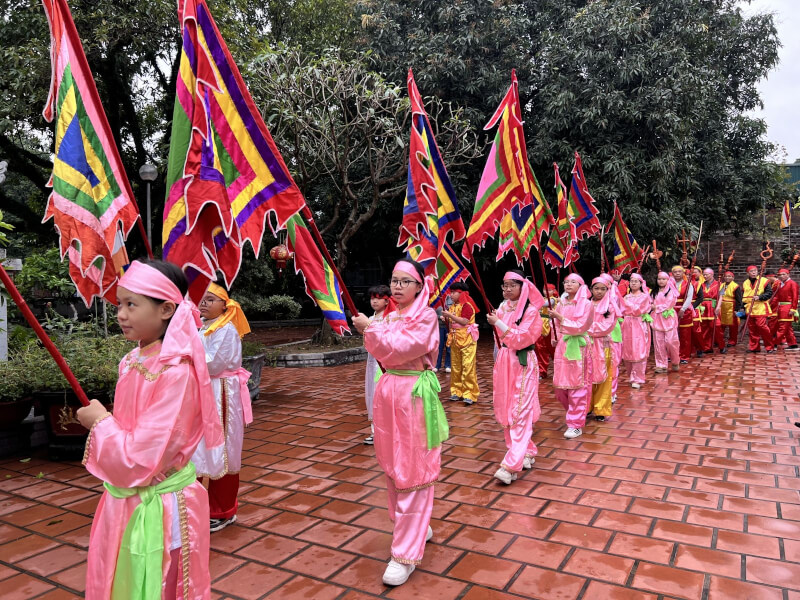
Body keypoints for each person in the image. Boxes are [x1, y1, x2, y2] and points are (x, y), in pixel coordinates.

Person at [76, 259, 224, 599]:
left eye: (131, 304)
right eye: (119, 305)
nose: (121, 314)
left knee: (163, 583)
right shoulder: (132, 360)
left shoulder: (176, 371)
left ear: (166, 309)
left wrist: (100, 423)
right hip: (126, 497)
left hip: (162, 506)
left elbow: (142, 458)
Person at [351, 259, 447, 586]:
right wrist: (374, 329)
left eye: (405, 282)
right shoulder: (389, 316)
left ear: (420, 285)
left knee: (413, 468)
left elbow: (403, 349)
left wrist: (371, 329)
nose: (397, 287)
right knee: (392, 465)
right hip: (390, 391)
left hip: (414, 396)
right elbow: (383, 351)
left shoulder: (427, 317)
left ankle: (405, 552)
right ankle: (415, 525)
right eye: (394, 280)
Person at [192, 283, 253, 533]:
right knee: (201, 447)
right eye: (201, 299)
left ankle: (223, 510)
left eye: (210, 300)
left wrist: (184, 357)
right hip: (205, 390)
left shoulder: (226, 329)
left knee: (225, 449)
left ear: (224, 305)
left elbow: (214, 364)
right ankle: (201, 506)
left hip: (221, 391)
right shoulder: (203, 327)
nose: (203, 304)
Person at [487, 270, 545, 484]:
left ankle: (511, 464)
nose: (507, 289)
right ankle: (527, 450)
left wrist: (499, 324)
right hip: (504, 362)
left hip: (522, 364)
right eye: (504, 285)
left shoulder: (531, 312)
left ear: (523, 287)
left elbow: (521, 339)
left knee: (519, 410)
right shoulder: (502, 307)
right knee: (505, 408)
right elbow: (502, 339)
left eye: (512, 285)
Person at [551, 273, 595, 439]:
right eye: (566, 282)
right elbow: (555, 324)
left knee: (577, 385)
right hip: (563, 345)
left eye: (572, 282)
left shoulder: (587, 304)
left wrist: (560, 318)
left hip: (579, 346)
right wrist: (555, 336)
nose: (568, 284)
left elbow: (581, 326)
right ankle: (576, 412)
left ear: (580, 285)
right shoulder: (562, 302)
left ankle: (575, 424)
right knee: (560, 386)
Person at [363, 285, 396, 445]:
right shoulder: (370, 318)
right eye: (372, 298)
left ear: (386, 300)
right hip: (372, 364)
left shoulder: (391, 318)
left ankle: (390, 432)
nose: (374, 301)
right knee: (372, 395)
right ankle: (375, 431)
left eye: (378, 298)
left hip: (385, 366)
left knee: (385, 398)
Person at [442, 281, 480, 405]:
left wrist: (449, 316)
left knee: (467, 367)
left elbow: (464, 321)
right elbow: (454, 322)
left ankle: (470, 393)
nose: (451, 295)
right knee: (455, 367)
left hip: (467, 340)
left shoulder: (467, 305)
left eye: (453, 293)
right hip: (455, 339)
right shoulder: (453, 306)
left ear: (461, 293)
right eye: (450, 292)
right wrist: (446, 318)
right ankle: (456, 391)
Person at [587, 277, 618, 421]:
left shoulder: (611, 307)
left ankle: (600, 409)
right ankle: (586, 407)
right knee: (586, 376)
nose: (599, 292)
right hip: (585, 345)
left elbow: (606, 327)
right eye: (596, 288)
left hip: (602, 344)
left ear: (608, 290)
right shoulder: (584, 304)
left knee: (603, 376)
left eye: (603, 289)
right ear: (591, 289)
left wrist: (584, 329)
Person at [620, 273, 652, 389]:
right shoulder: (626, 297)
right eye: (631, 281)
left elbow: (638, 311)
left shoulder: (644, 297)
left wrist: (624, 303)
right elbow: (622, 310)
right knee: (627, 350)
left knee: (639, 350)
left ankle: (637, 378)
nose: (633, 283)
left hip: (639, 324)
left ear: (641, 283)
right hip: (627, 324)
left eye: (636, 281)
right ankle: (630, 375)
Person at [671, 265, 703, 364]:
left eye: (679, 272)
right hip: (671, 310)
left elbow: (689, 298)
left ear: (683, 273)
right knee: (671, 334)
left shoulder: (688, 284)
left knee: (685, 334)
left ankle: (684, 356)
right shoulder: (669, 284)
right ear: (672, 273)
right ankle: (671, 354)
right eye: (675, 272)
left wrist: (683, 309)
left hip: (684, 311)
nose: (677, 273)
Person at [741, 265, 775, 353]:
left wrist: (760, 297)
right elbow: (744, 296)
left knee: (762, 326)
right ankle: (754, 347)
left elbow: (769, 293)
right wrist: (742, 307)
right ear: (748, 273)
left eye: (755, 271)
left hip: (760, 307)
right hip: (750, 308)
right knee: (752, 329)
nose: (753, 272)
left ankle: (769, 346)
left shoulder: (764, 281)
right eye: (751, 271)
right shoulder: (745, 282)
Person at [651, 271, 680, 373]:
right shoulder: (653, 291)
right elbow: (650, 302)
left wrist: (656, 307)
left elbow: (669, 304)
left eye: (663, 279)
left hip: (668, 319)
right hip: (656, 319)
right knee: (659, 343)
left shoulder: (671, 292)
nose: (661, 281)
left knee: (671, 342)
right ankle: (661, 365)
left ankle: (675, 361)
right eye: (659, 279)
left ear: (668, 280)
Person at [769, 268, 799, 350]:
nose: (781, 276)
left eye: (783, 274)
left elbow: (795, 297)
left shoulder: (792, 283)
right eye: (780, 275)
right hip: (781, 307)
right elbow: (776, 296)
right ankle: (793, 344)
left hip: (787, 308)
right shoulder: (780, 284)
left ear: (788, 275)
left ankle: (773, 343)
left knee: (782, 327)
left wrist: (793, 309)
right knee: (787, 327)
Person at [534, 283, 558, 379]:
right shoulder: (541, 299)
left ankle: (559, 371)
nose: (546, 292)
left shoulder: (553, 300)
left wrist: (534, 298)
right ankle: (541, 371)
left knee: (553, 350)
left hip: (550, 326)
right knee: (540, 349)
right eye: (544, 290)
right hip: (540, 326)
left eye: (549, 290)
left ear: (553, 291)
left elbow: (544, 304)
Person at [715, 271, 743, 353]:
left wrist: (737, 309)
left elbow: (739, 299)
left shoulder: (736, 286)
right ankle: (719, 340)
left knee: (733, 325)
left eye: (729, 276)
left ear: (733, 278)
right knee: (721, 324)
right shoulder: (721, 285)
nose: (727, 278)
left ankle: (732, 340)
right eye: (726, 276)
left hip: (731, 306)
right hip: (721, 306)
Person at [699, 268, 720, 354]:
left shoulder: (719, 284)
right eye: (704, 274)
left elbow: (721, 296)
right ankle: (706, 347)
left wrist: (718, 307)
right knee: (704, 327)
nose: (705, 276)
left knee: (715, 326)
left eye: (707, 274)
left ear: (712, 274)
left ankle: (720, 345)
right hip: (703, 306)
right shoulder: (701, 285)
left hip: (713, 305)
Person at [434, 292, 453, 373]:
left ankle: (448, 365)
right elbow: (432, 315)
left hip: (449, 328)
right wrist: (439, 317)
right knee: (439, 347)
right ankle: (437, 366)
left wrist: (448, 317)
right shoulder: (437, 304)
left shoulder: (452, 303)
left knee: (449, 347)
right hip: (440, 328)